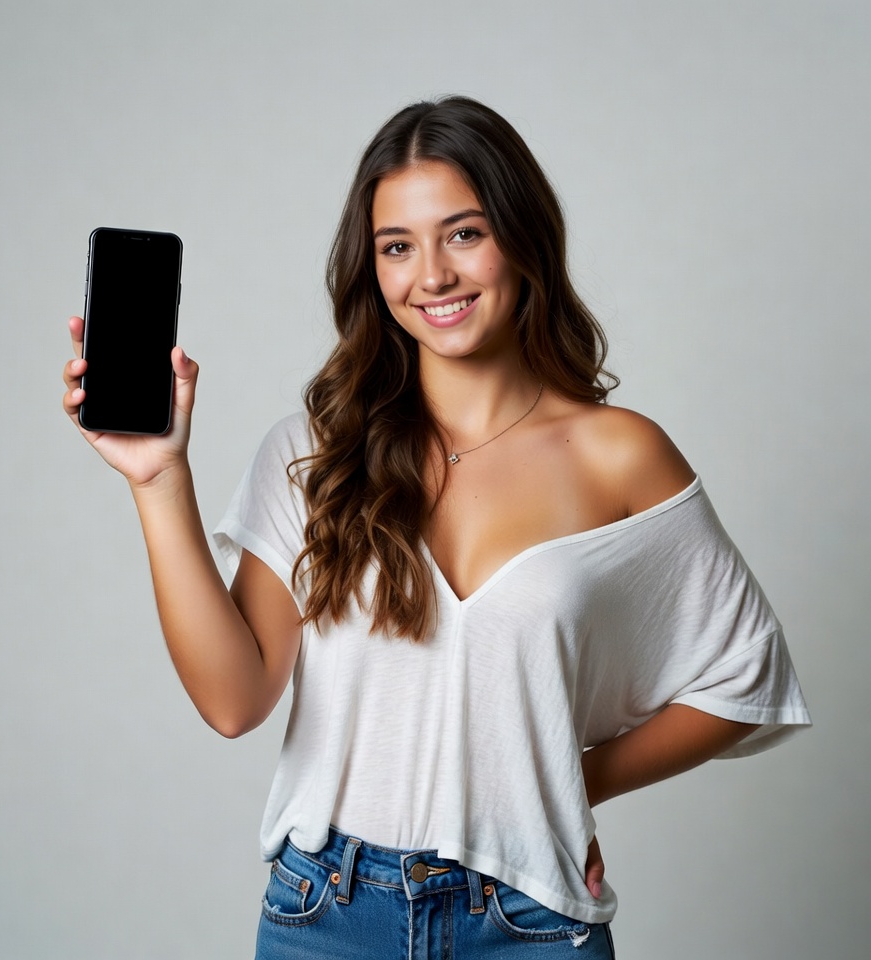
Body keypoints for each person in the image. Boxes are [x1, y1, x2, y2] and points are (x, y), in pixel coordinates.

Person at [62, 96, 811, 959]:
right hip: (325, 916)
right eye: (397, 247)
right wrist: (160, 481)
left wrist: (566, 788)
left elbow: (741, 681)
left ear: (523, 238)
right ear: (371, 269)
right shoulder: (315, 451)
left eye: (464, 233)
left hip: (529, 920)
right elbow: (235, 702)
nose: (433, 276)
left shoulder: (619, 455)